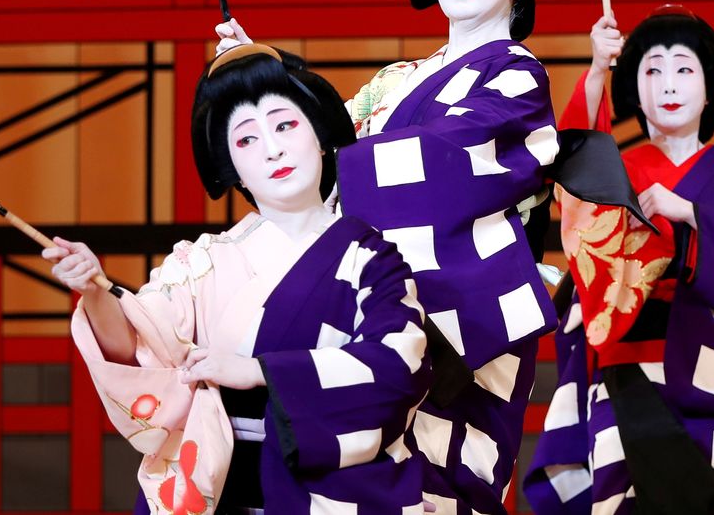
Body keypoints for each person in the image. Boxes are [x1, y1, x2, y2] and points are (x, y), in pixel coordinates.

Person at [218, 0, 560, 514]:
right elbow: (316, 162)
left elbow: (446, 168)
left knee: (430, 480)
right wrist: (260, 82)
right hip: (375, 305)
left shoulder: (516, 73)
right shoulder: (395, 80)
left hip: (457, 316)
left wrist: (330, 156)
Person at [45, 44, 432, 514]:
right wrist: (96, 289)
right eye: (246, 140)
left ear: (320, 136)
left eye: (285, 125)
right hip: (222, 489)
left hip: (329, 495)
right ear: (235, 171)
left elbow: (398, 365)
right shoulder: (199, 263)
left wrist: (258, 371)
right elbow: (138, 346)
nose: (272, 149)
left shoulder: (369, 259)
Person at [522, 8, 714, 515]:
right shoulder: (617, 172)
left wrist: (692, 215)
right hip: (623, 372)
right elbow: (569, 180)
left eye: (684, 68)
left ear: (711, 85)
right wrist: (595, 72)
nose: (667, 84)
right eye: (652, 69)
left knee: (711, 501)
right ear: (633, 85)